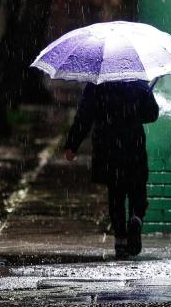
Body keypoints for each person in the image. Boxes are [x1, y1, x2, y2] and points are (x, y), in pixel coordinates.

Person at [64, 80, 159, 259]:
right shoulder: (137, 82)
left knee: (116, 194)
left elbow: (85, 115)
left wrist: (72, 144)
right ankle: (136, 219)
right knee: (137, 188)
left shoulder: (97, 83)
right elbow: (152, 114)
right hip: (133, 143)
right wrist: (139, 105)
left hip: (107, 145)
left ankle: (121, 241)